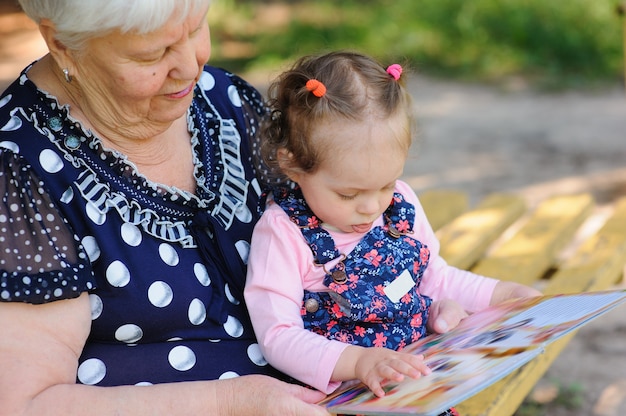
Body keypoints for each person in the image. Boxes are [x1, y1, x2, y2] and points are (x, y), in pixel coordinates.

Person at [0, 2, 476, 415]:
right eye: (153, 53)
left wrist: (422, 304)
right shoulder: (18, 172)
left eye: (194, 28)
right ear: (61, 44)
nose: (190, 66)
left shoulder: (223, 100)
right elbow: (24, 405)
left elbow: (342, 242)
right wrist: (230, 404)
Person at [244, 51, 542, 402]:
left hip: (415, 387)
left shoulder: (401, 205)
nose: (372, 207)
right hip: (343, 398)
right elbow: (278, 336)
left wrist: (504, 295)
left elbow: (436, 277)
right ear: (293, 165)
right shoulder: (283, 233)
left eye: (386, 184)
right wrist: (358, 362)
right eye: (348, 194)